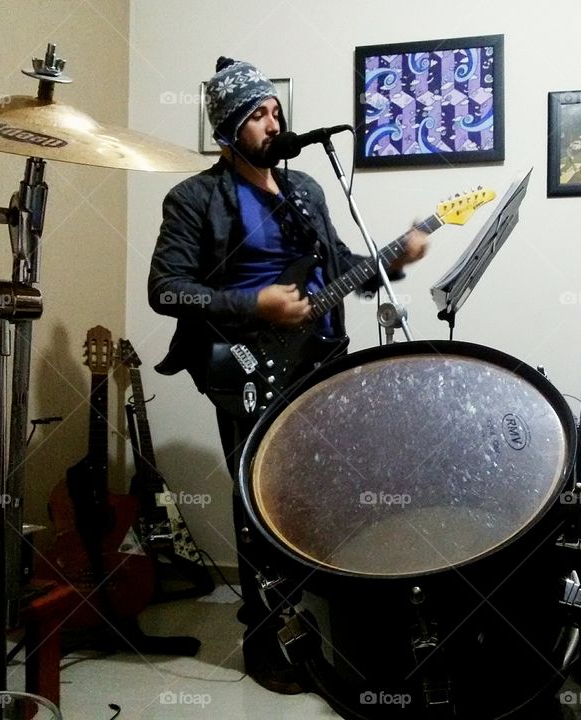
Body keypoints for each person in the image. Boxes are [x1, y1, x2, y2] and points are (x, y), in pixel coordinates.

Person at [147, 57, 429, 694]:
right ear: (227, 131)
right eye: (256, 115)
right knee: (261, 503)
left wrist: (396, 256)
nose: (272, 123)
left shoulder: (306, 188)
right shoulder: (194, 198)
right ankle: (264, 640)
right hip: (247, 367)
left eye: (274, 111)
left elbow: (338, 266)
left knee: (326, 497)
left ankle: (331, 623)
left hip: (321, 363)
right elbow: (167, 291)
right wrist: (255, 303)